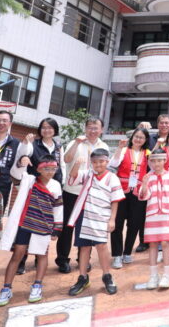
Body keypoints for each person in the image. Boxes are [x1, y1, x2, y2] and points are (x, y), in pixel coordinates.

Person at [0, 157, 63, 306]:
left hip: (44, 226)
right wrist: (22, 161)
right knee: (17, 254)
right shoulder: (29, 180)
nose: (50, 172)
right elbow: (15, 174)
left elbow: (58, 207)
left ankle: (37, 286)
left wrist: (57, 228)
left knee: (42, 255)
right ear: (38, 169)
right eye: (46, 169)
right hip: (25, 225)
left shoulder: (56, 185)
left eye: (53, 169)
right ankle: (6, 288)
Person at [66, 147, 124, 296]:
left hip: (102, 216)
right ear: (91, 163)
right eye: (95, 162)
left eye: (101, 161)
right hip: (84, 215)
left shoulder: (112, 177)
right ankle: (83, 277)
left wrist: (112, 219)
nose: (98, 164)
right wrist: (77, 164)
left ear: (107, 161)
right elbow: (72, 178)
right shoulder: (87, 174)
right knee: (84, 247)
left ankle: (107, 276)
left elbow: (115, 200)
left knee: (102, 246)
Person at [10, 119, 63, 274]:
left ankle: (38, 259)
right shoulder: (33, 144)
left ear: (55, 130)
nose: (47, 130)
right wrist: (25, 145)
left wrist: (61, 183)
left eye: (50, 127)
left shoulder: (58, 146)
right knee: (28, 224)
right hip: (34, 188)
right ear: (40, 129)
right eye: (44, 127)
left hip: (51, 189)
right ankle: (21, 261)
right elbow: (22, 156)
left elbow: (62, 166)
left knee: (44, 224)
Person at [57, 117, 108, 274]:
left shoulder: (104, 146)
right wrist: (77, 143)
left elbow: (104, 169)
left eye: (96, 128)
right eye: (90, 127)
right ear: (85, 128)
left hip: (91, 193)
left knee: (86, 227)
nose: (92, 131)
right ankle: (62, 260)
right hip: (72, 191)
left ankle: (83, 259)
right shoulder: (75, 142)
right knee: (67, 226)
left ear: (101, 130)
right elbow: (66, 159)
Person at [139, 149, 169, 289]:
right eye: (154, 161)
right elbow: (143, 196)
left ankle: (167, 275)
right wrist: (144, 184)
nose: (157, 164)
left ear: (165, 161)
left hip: (167, 214)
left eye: (159, 160)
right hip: (152, 215)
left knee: (165, 243)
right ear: (150, 162)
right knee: (153, 244)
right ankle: (153, 275)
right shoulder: (148, 177)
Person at [109, 128, 151, 269]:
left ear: (145, 140)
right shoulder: (123, 151)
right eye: (136, 136)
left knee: (134, 224)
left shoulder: (148, 154)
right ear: (132, 137)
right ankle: (117, 254)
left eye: (141, 137)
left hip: (138, 193)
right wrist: (119, 148)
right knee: (118, 223)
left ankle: (127, 252)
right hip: (122, 191)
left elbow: (152, 168)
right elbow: (113, 164)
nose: (138, 139)